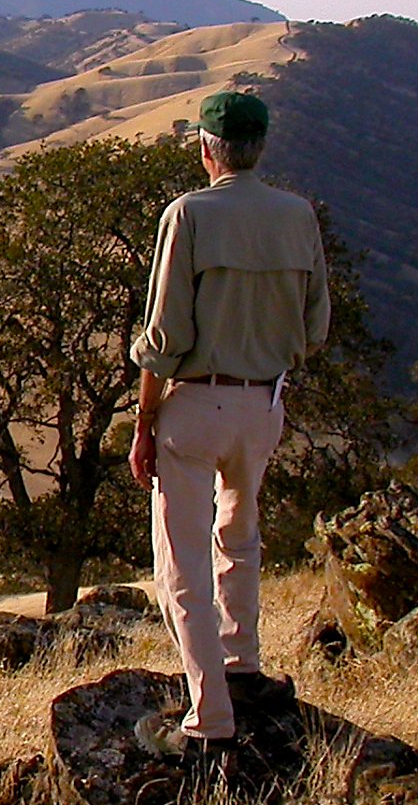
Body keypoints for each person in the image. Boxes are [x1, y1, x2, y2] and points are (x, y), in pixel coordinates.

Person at [127, 90, 329, 757]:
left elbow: (163, 335)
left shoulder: (187, 214)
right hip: (264, 402)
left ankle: (209, 717)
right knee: (239, 536)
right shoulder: (298, 216)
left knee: (180, 565)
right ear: (260, 146)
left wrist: (144, 422)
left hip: (195, 402)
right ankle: (243, 665)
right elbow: (315, 326)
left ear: (208, 148)